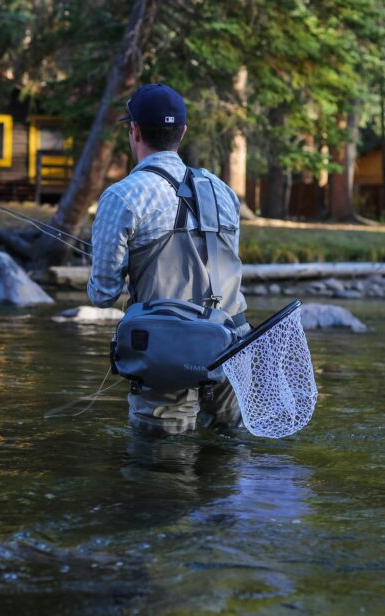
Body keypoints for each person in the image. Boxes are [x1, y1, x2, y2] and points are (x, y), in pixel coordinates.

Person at [87, 83, 249, 435]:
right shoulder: (224, 191)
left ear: (135, 130)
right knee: (227, 468)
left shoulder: (123, 196)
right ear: (182, 132)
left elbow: (103, 294)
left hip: (167, 357)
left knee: (160, 472)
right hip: (234, 348)